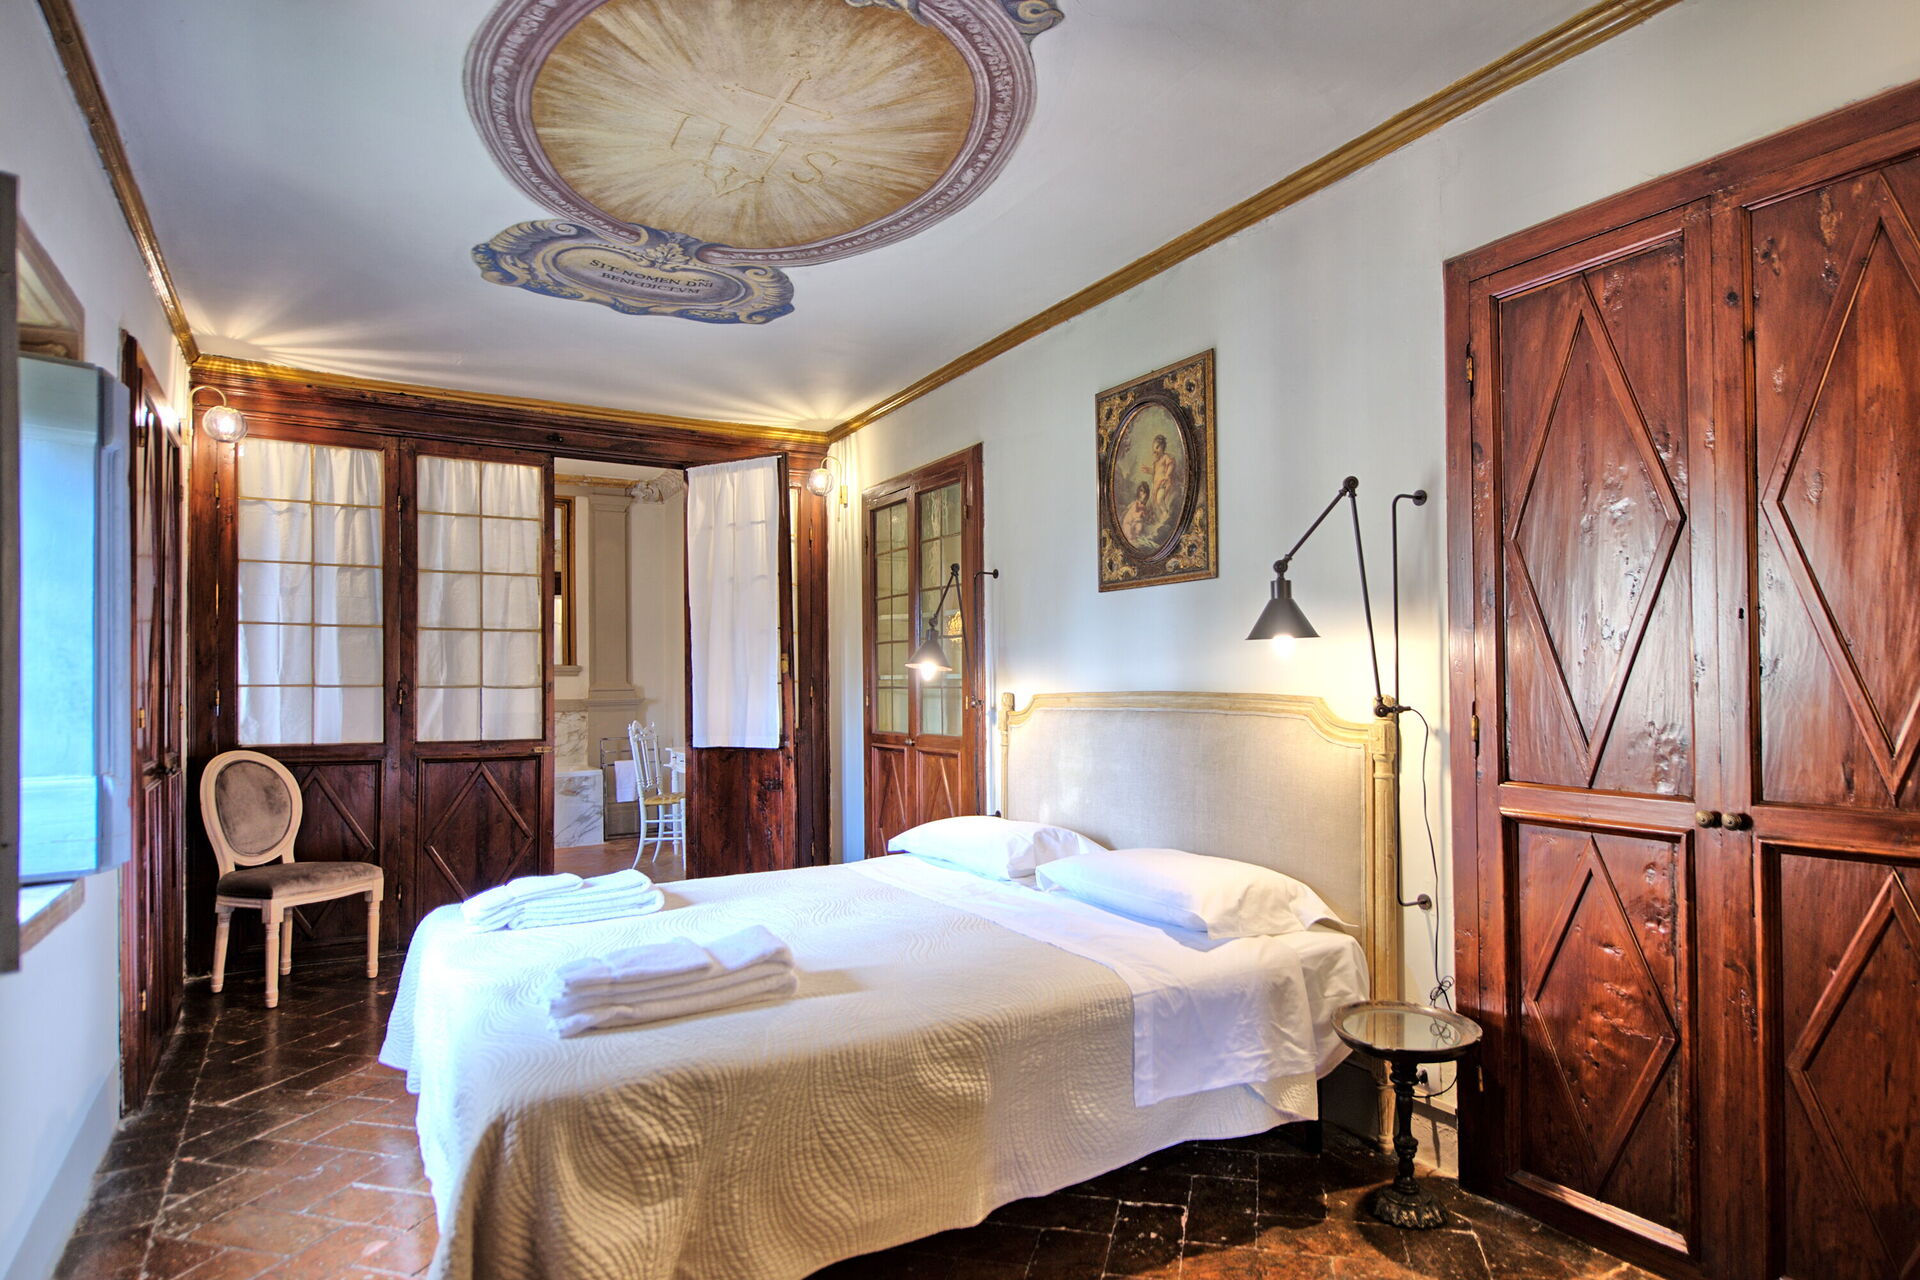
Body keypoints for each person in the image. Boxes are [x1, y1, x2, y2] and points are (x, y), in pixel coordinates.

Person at [1144, 433, 1178, 524]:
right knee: (1154, 502)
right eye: (1154, 449)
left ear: (1163, 447)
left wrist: (1167, 475)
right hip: (1156, 485)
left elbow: (1171, 464)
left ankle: (1166, 513)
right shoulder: (1156, 462)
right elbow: (1155, 472)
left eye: (1157, 447)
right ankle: (1160, 517)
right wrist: (1149, 470)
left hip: (1163, 482)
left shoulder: (1165, 457)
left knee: (1159, 499)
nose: (1155, 451)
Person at [1120, 481, 1152, 546]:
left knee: (1139, 527)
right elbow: (1132, 514)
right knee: (1131, 534)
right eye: (1141, 491)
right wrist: (1140, 514)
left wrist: (1144, 515)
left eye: (1144, 492)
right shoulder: (1135, 504)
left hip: (1136, 521)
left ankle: (1135, 538)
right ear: (1138, 492)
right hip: (1129, 523)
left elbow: (1144, 516)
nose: (1143, 493)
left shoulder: (1144, 505)